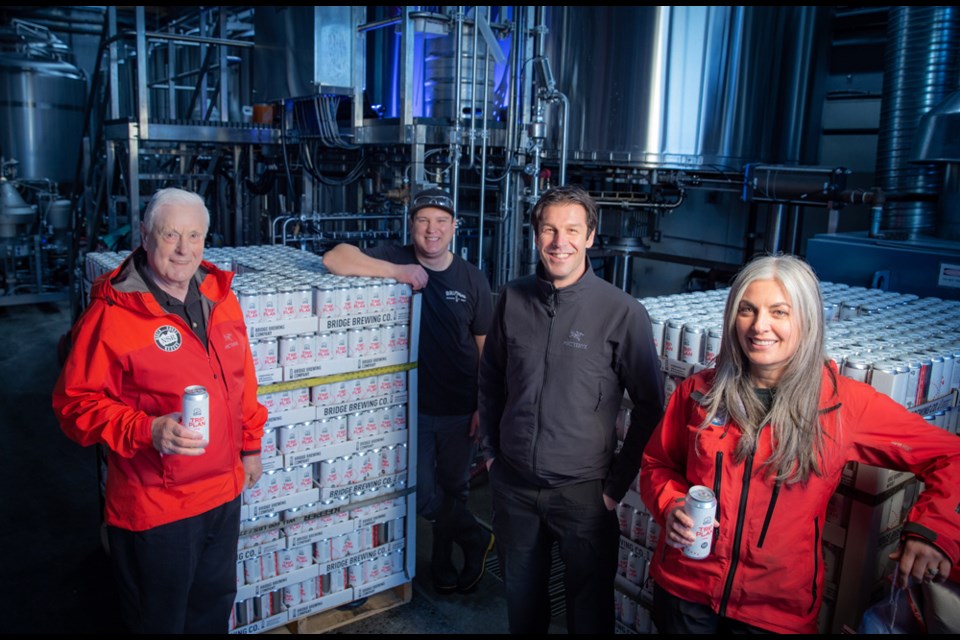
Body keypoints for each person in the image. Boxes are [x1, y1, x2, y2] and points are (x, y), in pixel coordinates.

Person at [639, 253, 960, 634]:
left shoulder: (844, 405)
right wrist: (672, 504)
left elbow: (950, 455)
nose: (760, 326)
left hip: (775, 613)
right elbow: (656, 465)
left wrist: (933, 535)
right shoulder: (700, 393)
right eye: (747, 310)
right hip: (683, 592)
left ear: (806, 321)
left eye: (779, 312)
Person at [52, 188, 267, 634]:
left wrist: (250, 447)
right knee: (159, 621)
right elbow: (74, 406)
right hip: (157, 507)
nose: (184, 249)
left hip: (223, 495)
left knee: (211, 611)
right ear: (146, 238)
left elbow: (242, 383)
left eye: (194, 235)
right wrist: (146, 430)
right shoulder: (112, 316)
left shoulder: (221, 298)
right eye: (171, 235)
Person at [477, 184, 665, 634]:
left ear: (591, 237)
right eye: (549, 229)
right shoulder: (512, 298)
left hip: (584, 494)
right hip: (514, 487)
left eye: (572, 230)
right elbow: (490, 380)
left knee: (589, 613)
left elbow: (650, 406)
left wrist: (614, 487)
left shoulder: (622, 312)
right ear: (536, 235)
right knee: (522, 604)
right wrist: (491, 455)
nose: (559, 242)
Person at [322, 187, 495, 593]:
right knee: (418, 491)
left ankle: (442, 564)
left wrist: (483, 407)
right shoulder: (395, 257)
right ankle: (474, 537)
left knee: (455, 488)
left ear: (454, 227)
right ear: (411, 226)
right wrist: (397, 273)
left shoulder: (471, 278)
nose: (431, 230)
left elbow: (487, 352)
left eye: (440, 221)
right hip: (407, 408)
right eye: (422, 221)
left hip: (458, 407)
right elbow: (335, 258)